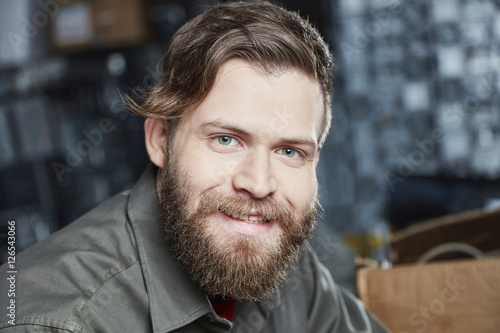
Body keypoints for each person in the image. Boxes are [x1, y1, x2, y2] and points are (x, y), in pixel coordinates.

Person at [0, 1, 388, 332]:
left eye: (289, 152)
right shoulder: (58, 322)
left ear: (315, 160)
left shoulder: (281, 256)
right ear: (160, 141)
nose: (259, 184)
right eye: (226, 140)